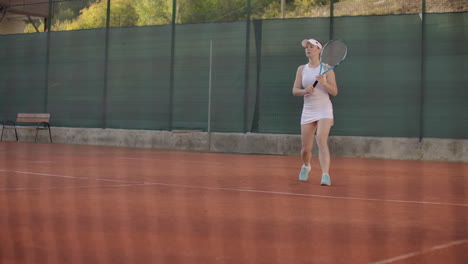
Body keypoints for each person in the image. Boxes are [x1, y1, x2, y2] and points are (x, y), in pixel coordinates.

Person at [291, 38, 338, 186]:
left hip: (324, 109)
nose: (308, 49)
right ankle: (306, 166)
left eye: (311, 47)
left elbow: (335, 91)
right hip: (308, 110)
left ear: (319, 50)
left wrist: (324, 83)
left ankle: (325, 174)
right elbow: (294, 90)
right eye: (307, 47)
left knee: (321, 140)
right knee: (306, 149)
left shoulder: (327, 68)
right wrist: (305, 91)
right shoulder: (301, 69)